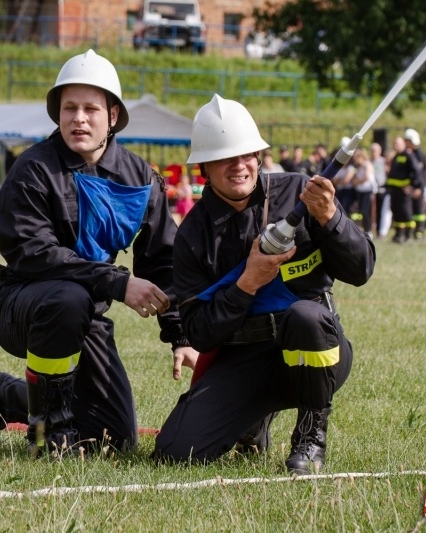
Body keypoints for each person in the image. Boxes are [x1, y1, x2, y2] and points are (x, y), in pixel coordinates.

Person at [0, 49, 193, 458]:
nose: (78, 119)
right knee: (68, 298)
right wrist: (119, 283)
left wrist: (181, 335)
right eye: (69, 108)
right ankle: (48, 435)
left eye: (90, 108)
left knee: (115, 441)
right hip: (25, 306)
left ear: (113, 116)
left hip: (86, 317)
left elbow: (163, 259)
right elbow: (32, 252)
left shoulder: (139, 179)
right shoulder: (33, 169)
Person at [152, 94, 375, 475]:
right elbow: (201, 333)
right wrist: (247, 283)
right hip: (244, 357)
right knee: (175, 451)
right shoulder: (192, 234)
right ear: (204, 166)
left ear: (259, 156)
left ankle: (310, 437)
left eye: (247, 154)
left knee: (306, 315)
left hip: (315, 350)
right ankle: (253, 421)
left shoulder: (301, 192)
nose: (239, 166)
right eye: (225, 157)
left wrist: (331, 218)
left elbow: (361, 268)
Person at [386, 136, 422, 243]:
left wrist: (414, 186)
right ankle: (398, 234)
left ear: (403, 144)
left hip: (404, 191)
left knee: (406, 212)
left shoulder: (408, 156)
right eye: (394, 143)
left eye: (398, 143)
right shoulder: (396, 156)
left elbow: (416, 171)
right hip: (394, 190)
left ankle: (408, 234)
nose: (395, 146)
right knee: (397, 212)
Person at [404, 129, 426, 239]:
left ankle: (419, 230)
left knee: (418, 210)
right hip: (410, 186)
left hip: (418, 186)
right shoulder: (409, 154)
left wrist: (418, 187)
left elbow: (420, 173)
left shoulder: (419, 155)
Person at [349, 147, 376, 236]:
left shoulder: (367, 165)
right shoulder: (358, 167)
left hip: (367, 191)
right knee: (360, 211)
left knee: (365, 211)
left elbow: (366, 177)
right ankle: (361, 229)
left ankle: (368, 231)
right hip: (360, 191)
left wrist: (357, 181)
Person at [370, 142, 391, 238]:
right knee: (373, 211)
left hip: (382, 189)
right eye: (372, 151)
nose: (373, 153)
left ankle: (380, 231)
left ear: (379, 151)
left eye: (375, 151)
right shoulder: (370, 162)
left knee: (381, 210)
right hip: (372, 189)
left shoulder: (383, 161)